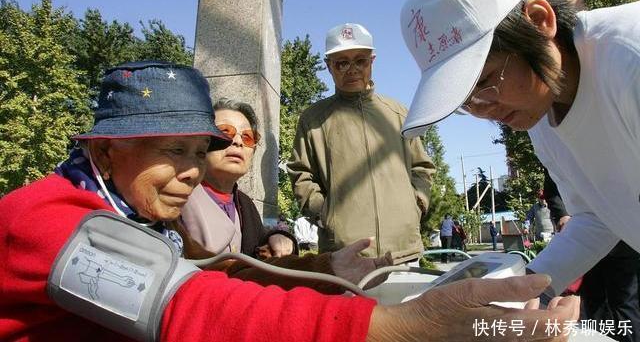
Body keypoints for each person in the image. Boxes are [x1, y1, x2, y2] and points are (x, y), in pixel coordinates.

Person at [0, 61, 581, 341]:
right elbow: (194, 308)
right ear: (105, 154)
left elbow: (221, 272)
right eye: (171, 150)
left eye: (196, 151)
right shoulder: (46, 223)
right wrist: (402, 328)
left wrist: (328, 267)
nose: (188, 171)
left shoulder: (146, 218)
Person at [400, 0, 640, 312]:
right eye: (464, 101)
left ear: (539, 21)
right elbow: (596, 216)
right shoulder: (539, 114)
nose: (483, 110)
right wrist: (519, 286)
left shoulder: (630, 58)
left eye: (485, 82)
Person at [287, 22, 435, 264]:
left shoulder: (398, 114)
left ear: (372, 61)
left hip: (403, 249)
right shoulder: (313, 119)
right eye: (341, 62)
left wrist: (415, 205)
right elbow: (300, 173)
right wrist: (326, 213)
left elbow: (422, 167)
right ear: (328, 66)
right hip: (345, 254)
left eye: (360, 60)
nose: (352, 69)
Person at [180, 98, 297, 259]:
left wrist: (279, 239)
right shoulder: (177, 196)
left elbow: (260, 246)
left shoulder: (245, 204)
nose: (237, 142)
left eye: (247, 137)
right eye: (225, 132)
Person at [544, 169, 640, 342]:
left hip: (622, 234)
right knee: (593, 301)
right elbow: (553, 183)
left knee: (624, 302)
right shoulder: (560, 147)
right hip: (584, 236)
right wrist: (562, 215)